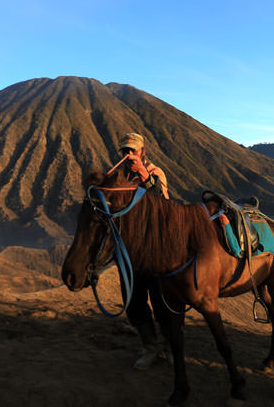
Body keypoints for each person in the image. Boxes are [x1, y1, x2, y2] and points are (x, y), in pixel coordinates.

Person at [117, 133, 170, 369]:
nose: (129, 155)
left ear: (142, 151)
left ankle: (170, 346)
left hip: (155, 250)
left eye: (133, 151)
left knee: (161, 302)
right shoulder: (119, 177)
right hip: (130, 252)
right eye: (125, 151)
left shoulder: (156, 173)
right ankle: (150, 348)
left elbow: (163, 202)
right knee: (134, 302)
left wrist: (144, 175)